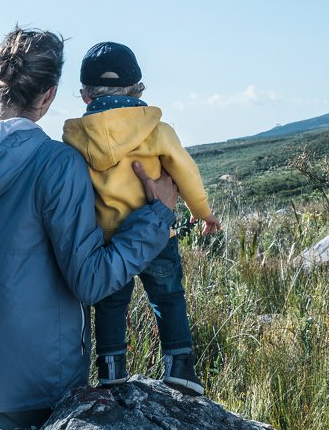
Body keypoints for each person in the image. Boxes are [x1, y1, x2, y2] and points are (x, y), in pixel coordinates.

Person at [0, 27, 180, 430]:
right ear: (49, 94)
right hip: (36, 388)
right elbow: (91, 281)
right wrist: (158, 214)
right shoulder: (58, 164)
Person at [62, 41, 220, 396]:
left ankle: (111, 366)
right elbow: (185, 172)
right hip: (157, 233)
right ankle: (179, 365)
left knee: (111, 302)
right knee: (168, 297)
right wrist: (202, 212)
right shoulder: (157, 130)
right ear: (138, 89)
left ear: (86, 95)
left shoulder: (76, 137)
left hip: (107, 240)